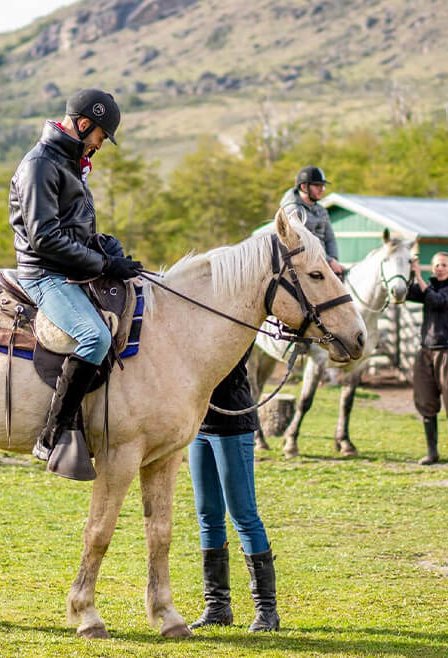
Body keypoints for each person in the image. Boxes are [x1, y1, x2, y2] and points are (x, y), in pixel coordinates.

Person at [8, 88, 143, 481]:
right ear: (84, 125)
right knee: (95, 337)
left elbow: (74, 228)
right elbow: (45, 238)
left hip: (72, 268)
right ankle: (50, 435)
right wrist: (104, 263)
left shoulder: (70, 163)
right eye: (102, 135)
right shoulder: (40, 165)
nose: (101, 144)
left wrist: (105, 246)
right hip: (44, 274)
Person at [187, 345, 279, 632]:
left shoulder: (229, 320)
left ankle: (267, 612)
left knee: (243, 515)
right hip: (198, 425)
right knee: (208, 516)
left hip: (232, 423)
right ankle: (217, 607)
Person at [407, 251, 448, 466]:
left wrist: (420, 277)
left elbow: (437, 301)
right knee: (425, 400)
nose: (439, 268)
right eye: (436, 265)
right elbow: (405, 292)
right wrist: (408, 269)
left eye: (443, 265)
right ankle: (432, 452)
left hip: (447, 350)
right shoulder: (429, 286)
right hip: (426, 350)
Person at [279, 166, 344, 276]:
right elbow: (300, 244)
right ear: (304, 187)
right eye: (317, 186)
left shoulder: (321, 210)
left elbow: (330, 238)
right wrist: (328, 261)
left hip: (322, 263)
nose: (322, 189)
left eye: (323, 186)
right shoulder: (292, 211)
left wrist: (333, 259)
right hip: (302, 267)